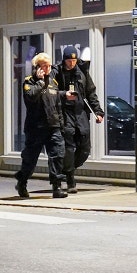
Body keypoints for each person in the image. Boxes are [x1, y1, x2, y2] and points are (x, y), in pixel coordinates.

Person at [15, 53, 73, 199]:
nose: (48, 69)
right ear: (37, 67)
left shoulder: (53, 81)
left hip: (53, 126)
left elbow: (55, 99)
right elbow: (31, 97)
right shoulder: (29, 82)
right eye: (44, 66)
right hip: (36, 128)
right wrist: (40, 81)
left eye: (49, 66)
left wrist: (64, 95)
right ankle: (22, 181)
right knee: (30, 159)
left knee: (57, 155)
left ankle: (57, 187)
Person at [51, 46, 104, 194]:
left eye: (74, 60)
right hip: (65, 112)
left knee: (85, 147)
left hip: (80, 112)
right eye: (69, 60)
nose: (71, 63)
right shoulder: (57, 72)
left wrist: (98, 112)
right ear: (64, 59)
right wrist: (64, 94)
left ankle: (68, 168)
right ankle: (70, 178)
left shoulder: (82, 71)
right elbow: (51, 92)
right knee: (68, 147)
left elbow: (90, 93)